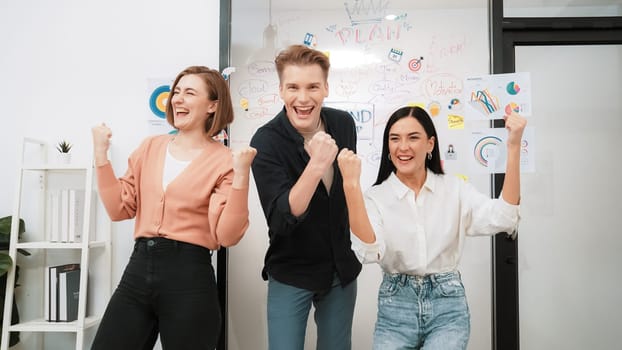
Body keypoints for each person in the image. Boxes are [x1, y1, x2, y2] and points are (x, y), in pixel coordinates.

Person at [90, 66, 256, 350]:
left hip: (189, 278)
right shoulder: (150, 147)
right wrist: (100, 156)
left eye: (189, 92)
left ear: (212, 105)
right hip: (138, 271)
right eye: (176, 91)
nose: (177, 99)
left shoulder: (225, 160)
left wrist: (241, 176)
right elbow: (119, 208)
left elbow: (227, 236)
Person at [337, 106, 526, 350]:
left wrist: (513, 147)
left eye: (413, 137)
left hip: (447, 308)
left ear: (430, 144)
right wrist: (351, 185)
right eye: (395, 139)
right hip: (396, 310)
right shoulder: (376, 197)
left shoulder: (454, 189)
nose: (403, 147)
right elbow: (370, 252)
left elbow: (505, 218)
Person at [250, 44, 362, 350]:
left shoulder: (343, 124)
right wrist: (316, 165)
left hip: (340, 268)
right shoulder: (266, 140)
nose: (303, 98)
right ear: (281, 91)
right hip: (291, 270)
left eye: (313, 86)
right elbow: (281, 219)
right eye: (293, 87)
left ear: (326, 87)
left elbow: (345, 193)